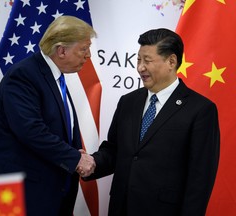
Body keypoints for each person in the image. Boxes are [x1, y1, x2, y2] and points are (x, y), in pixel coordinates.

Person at [82, 28, 220, 216]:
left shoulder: (201, 110)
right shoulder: (128, 101)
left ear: (171, 61)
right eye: (138, 60)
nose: (140, 67)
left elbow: (200, 179)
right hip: (120, 208)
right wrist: (92, 162)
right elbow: (114, 150)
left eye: (147, 61)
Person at [0, 16, 96, 216]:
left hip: (39, 195)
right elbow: (30, 130)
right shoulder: (23, 76)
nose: (88, 55)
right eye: (84, 49)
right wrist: (75, 158)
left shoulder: (54, 78)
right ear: (61, 50)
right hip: (9, 196)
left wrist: (75, 154)